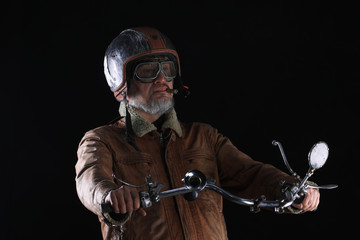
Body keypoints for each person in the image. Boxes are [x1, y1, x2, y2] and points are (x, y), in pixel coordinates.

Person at [75, 27, 320, 240]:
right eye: (148, 71)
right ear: (122, 84)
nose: (162, 79)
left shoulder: (204, 137)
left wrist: (291, 188)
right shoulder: (102, 140)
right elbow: (89, 179)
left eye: (168, 69)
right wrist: (108, 195)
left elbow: (250, 173)